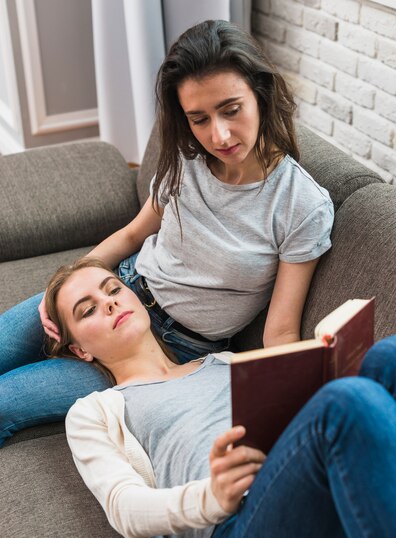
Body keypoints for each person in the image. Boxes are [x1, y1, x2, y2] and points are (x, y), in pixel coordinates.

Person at [0, 19, 334, 446]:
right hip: (114, 289)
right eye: (199, 119)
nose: (219, 135)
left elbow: (280, 333)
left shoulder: (301, 206)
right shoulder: (188, 162)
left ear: (260, 94)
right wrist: (64, 282)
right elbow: (131, 235)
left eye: (231, 109)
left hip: (164, 349)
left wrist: (282, 410)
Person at [46, 257, 396, 538]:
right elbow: (124, 509)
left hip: (347, 537)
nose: (109, 302)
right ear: (80, 350)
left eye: (113, 289)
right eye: (88, 310)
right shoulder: (95, 411)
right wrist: (213, 497)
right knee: (348, 403)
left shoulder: (226, 362)